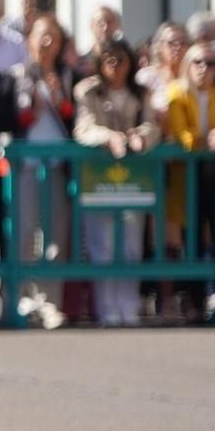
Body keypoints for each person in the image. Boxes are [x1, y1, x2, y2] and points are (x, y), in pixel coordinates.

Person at [73, 40, 160, 327]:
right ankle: (106, 307)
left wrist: (140, 137)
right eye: (108, 59)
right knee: (103, 246)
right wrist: (110, 137)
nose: (115, 65)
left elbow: (152, 126)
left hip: (134, 179)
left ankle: (128, 305)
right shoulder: (88, 91)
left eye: (121, 59)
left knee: (131, 246)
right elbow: (84, 128)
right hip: (98, 178)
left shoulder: (141, 93)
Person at [4, 14, 77, 325]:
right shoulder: (19, 74)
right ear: (30, 39)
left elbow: (72, 116)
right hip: (28, 164)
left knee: (55, 236)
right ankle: (18, 298)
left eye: (54, 38)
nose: (47, 44)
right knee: (23, 232)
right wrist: (33, 101)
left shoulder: (67, 74)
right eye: (42, 36)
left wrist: (58, 93)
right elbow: (18, 118)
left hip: (58, 164)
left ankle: (49, 300)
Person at [162, 42, 215, 307]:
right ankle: (194, 300)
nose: (205, 68)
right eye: (198, 62)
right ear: (188, 66)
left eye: (211, 63)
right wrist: (209, 139)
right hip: (187, 176)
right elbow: (181, 134)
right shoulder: (176, 93)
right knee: (191, 237)